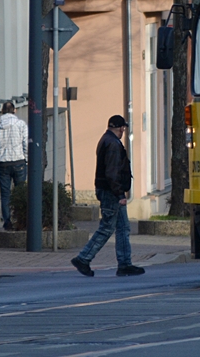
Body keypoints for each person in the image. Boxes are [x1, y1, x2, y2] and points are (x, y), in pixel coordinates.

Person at [71, 115, 144, 277]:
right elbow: (112, 173)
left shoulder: (106, 140)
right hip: (111, 193)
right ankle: (83, 258)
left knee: (123, 227)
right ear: (120, 128)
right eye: (123, 128)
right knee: (107, 228)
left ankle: (125, 264)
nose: (123, 131)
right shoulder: (112, 144)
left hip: (110, 191)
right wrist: (119, 194)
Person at [0, 101, 28, 231]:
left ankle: (7, 222)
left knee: (5, 194)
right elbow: (26, 145)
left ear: (1, 111)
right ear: (15, 111)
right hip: (19, 162)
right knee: (21, 193)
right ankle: (20, 220)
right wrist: (27, 161)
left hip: (3, 164)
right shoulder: (21, 125)